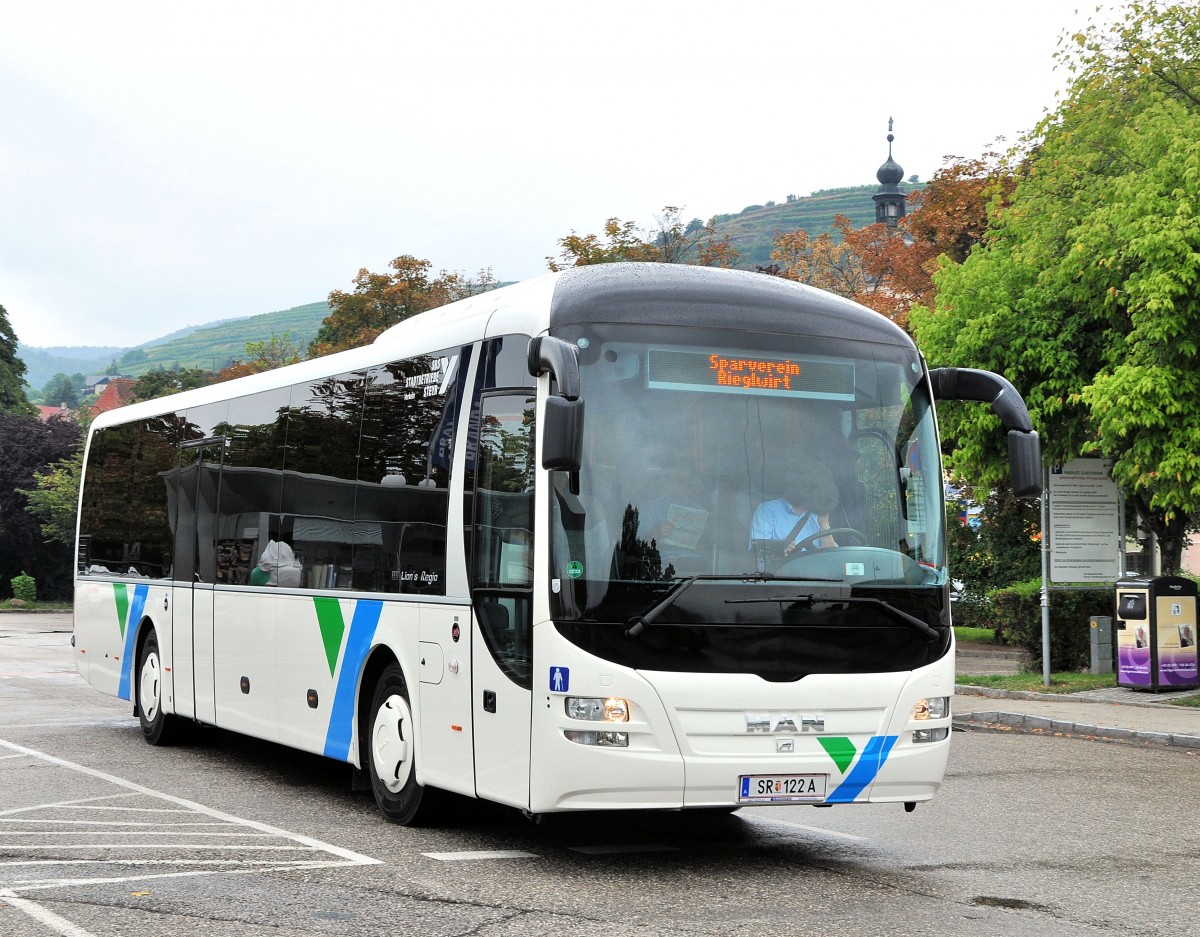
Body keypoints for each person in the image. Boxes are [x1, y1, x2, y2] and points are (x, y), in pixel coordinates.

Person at [749, 461, 840, 560]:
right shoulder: (767, 511)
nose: (819, 493)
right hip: (782, 574)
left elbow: (833, 559)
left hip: (815, 573)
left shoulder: (817, 514)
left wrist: (824, 524)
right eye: (815, 488)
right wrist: (781, 552)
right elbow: (758, 556)